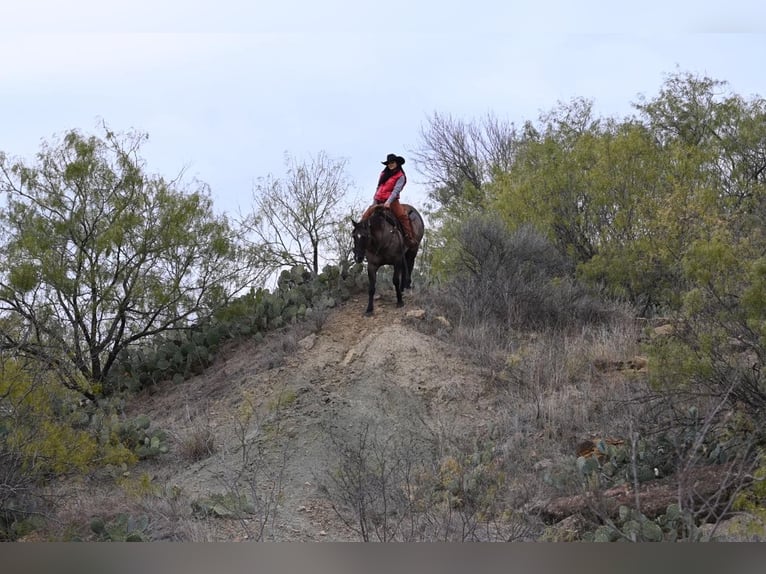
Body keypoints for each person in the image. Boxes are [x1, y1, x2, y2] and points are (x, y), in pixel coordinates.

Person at [362, 153, 418, 248]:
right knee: (365, 216)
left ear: (397, 163)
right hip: (378, 200)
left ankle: (409, 238)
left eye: (392, 162)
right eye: (389, 163)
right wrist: (374, 201)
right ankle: (361, 237)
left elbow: (396, 190)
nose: (390, 164)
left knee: (402, 216)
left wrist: (388, 202)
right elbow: (378, 187)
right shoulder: (383, 174)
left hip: (392, 201)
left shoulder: (401, 176)